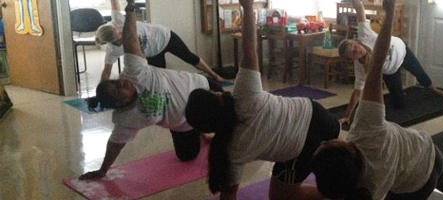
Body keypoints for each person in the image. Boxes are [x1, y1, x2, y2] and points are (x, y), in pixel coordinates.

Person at [311, 1, 443, 199]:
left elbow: (375, 54)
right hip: (425, 161)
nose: (328, 140)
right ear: (346, 148)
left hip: (414, 173)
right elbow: (376, 66)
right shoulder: (366, 127)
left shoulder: (367, 186)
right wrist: (389, 11)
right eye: (328, 143)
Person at [184, 0, 340, 199]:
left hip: (309, 135)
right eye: (213, 94)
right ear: (217, 101)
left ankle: (334, 195)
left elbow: (228, 194)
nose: (218, 92)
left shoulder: (231, 151)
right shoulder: (244, 96)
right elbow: (249, 51)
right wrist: (248, 8)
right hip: (313, 116)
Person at [78, 0, 222, 180]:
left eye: (115, 82)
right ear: (120, 104)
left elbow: (130, 40)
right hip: (183, 123)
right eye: (117, 91)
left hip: (202, 87)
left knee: (231, 120)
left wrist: (130, 7)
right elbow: (115, 145)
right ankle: (199, 130)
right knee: (186, 156)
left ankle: (207, 130)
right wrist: (102, 170)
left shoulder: (134, 72)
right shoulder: (126, 120)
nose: (121, 83)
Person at [337, 0, 443, 125]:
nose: (356, 50)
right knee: (399, 103)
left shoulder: (364, 35)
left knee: (420, 73)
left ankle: (435, 90)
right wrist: (347, 116)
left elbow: (359, 8)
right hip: (391, 70)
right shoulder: (360, 68)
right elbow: (357, 92)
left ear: (356, 42)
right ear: (351, 59)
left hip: (402, 52)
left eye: (354, 46)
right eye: (353, 53)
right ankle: (399, 95)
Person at [95, 0, 224, 82]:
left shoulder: (117, 20)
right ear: (114, 40)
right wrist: (102, 92)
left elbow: (114, 1)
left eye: (117, 29)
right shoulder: (112, 51)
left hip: (164, 36)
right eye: (118, 33)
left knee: (189, 57)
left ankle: (214, 75)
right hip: (152, 53)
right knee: (158, 79)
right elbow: (106, 72)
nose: (120, 30)